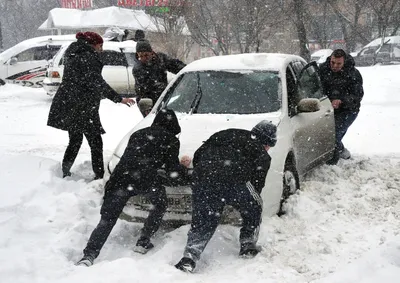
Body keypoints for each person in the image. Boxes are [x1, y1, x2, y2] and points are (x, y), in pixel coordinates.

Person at [76, 109, 191, 267]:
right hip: (145, 180)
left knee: (107, 220)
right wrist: (183, 169)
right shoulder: (171, 140)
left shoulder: (138, 134)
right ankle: (143, 241)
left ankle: (89, 255)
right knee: (160, 204)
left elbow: (134, 156)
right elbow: (173, 173)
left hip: (120, 178)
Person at [175, 121, 277, 273]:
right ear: (266, 142)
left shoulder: (226, 133)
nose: (268, 149)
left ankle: (189, 257)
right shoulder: (262, 154)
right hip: (233, 182)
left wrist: (206, 172)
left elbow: (198, 156)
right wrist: (241, 200)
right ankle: (248, 243)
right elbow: (257, 186)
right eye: (270, 145)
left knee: (203, 218)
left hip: (204, 178)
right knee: (256, 205)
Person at [47, 32, 134, 179]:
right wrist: (118, 98)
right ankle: (99, 175)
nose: (101, 49)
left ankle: (65, 171)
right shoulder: (88, 57)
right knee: (95, 142)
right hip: (83, 106)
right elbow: (96, 82)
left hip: (70, 103)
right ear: (93, 44)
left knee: (75, 140)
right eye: (100, 45)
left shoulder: (73, 53)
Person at [318, 49, 364, 165]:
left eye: (338, 64)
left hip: (349, 110)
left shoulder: (353, 74)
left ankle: (332, 162)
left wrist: (342, 100)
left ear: (344, 62)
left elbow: (357, 95)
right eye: (333, 62)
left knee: (334, 134)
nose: (335, 66)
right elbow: (315, 87)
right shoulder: (323, 70)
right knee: (327, 133)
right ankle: (343, 151)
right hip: (328, 108)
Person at [133, 40, 186, 116]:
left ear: (151, 52)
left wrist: (187, 69)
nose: (144, 58)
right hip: (148, 103)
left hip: (164, 98)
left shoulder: (161, 59)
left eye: (146, 55)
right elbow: (145, 89)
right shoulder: (138, 69)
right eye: (140, 56)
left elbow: (175, 65)